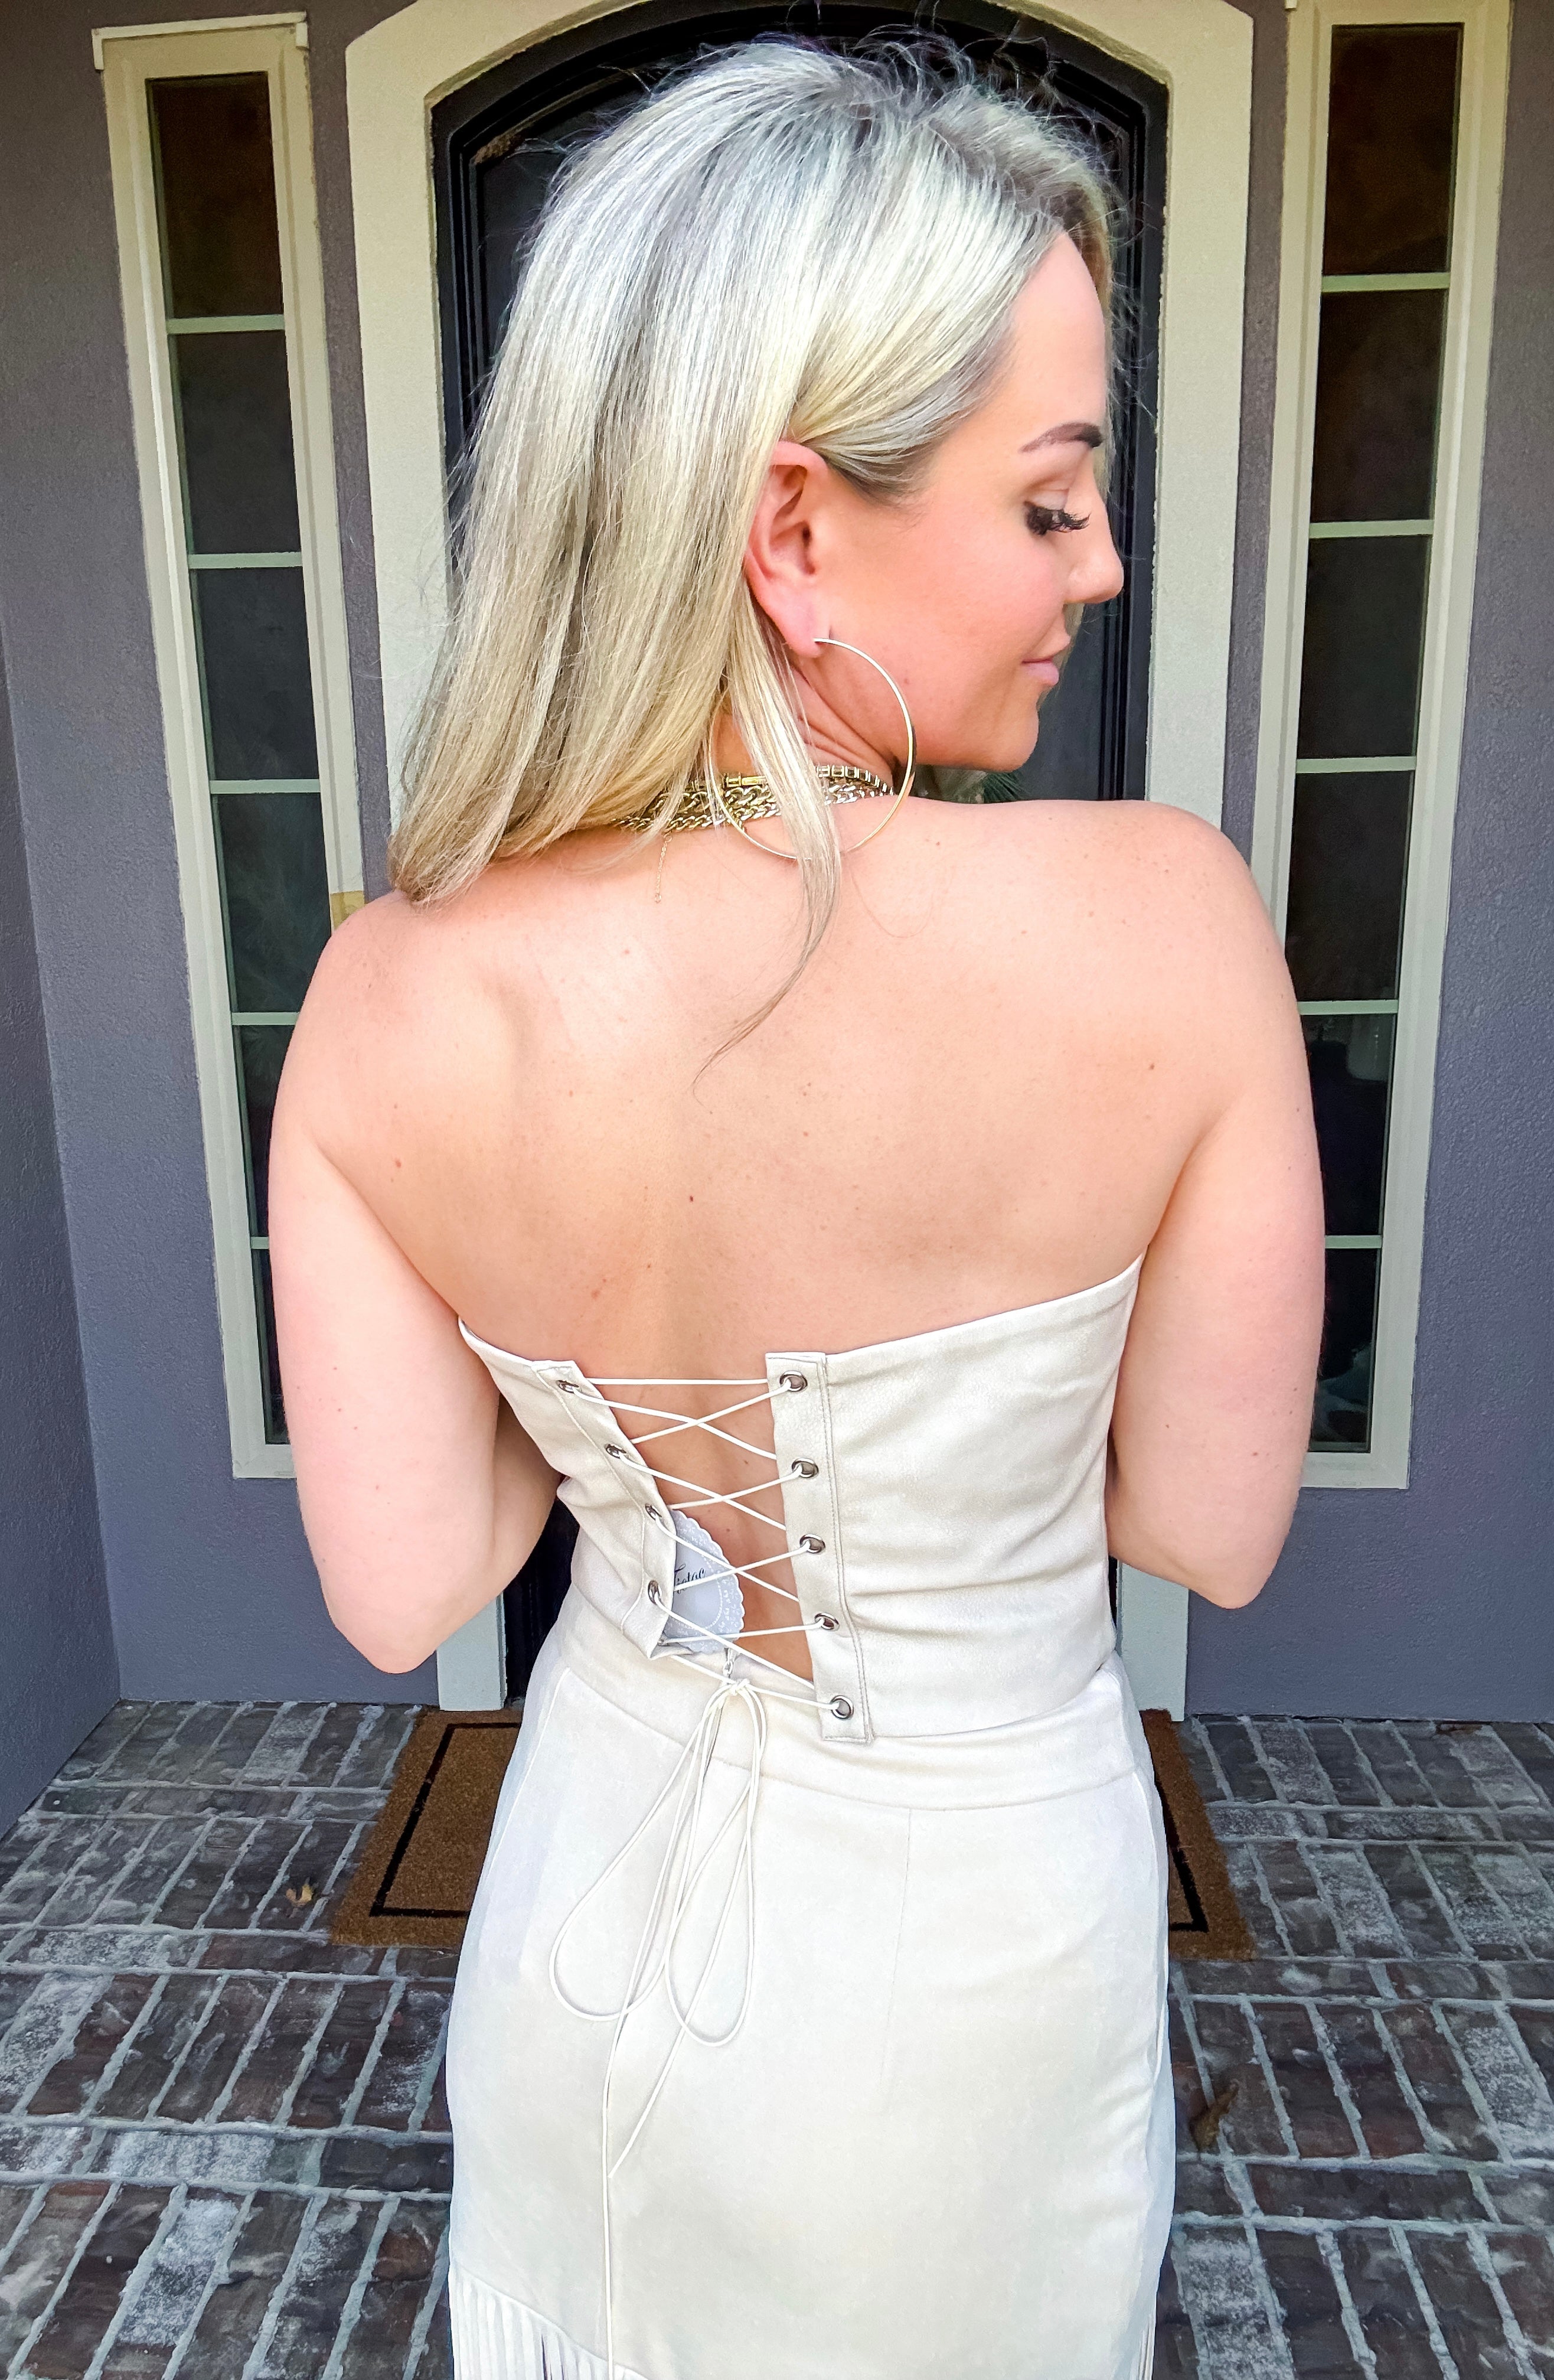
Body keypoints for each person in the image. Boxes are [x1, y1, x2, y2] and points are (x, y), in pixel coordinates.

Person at [272, 40, 1321, 2380]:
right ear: (792, 529)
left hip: (576, 1916)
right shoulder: (1164, 919)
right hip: (969, 1989)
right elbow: (1210, 1522)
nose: (1098, 565)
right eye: (1048, 499)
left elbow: (408, 1581)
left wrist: (598, 1356)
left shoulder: (382, 993)